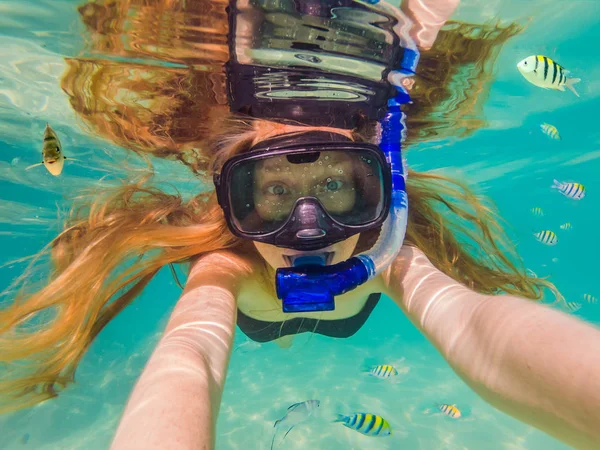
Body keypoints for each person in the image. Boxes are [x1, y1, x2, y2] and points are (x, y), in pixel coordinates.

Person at [1, 1, 599, 450]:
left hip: (341, 313)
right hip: (264, 318)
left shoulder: (388, 251)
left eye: (336, 186)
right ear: (234, 199)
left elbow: (470, 323)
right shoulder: (227, 264)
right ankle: (285, 330)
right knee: (278, 328)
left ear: (376, 185)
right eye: (275, 193)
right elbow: (190, 354)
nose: (308, 227)